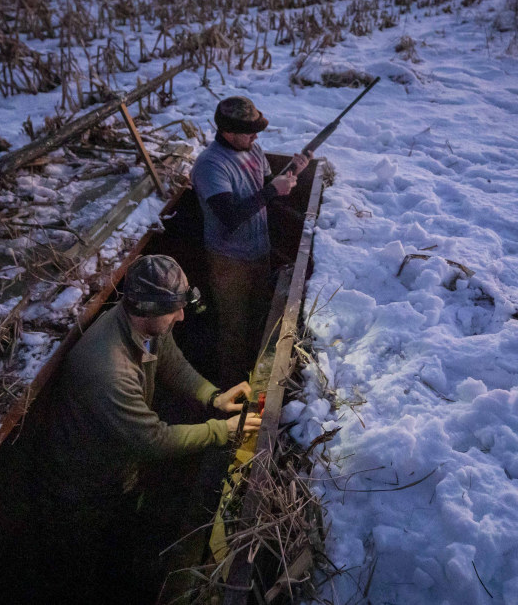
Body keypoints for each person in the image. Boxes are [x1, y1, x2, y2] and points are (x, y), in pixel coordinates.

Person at [27, 254, 260, 602]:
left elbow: (171, 363)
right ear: (147, 308)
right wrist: (221, 430)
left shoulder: (144, 326)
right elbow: (155, 440)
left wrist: (213, 397)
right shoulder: (109, 370)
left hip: (118, 471)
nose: (181, 316)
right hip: (82, 489)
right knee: (80, 572)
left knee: (120, 547)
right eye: (174, 310)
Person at [191, 96, 310, 388]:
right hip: (229, 262)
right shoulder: (210, 165)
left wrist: (294, 172)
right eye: (249, 131)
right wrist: (271, 191)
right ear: (228, 133)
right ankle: (229, 394)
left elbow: (268, 187)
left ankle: (254, 381)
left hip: (259, 252)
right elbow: (229, 216)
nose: (256, 136)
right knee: (233, 331)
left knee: (258, 319)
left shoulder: (253, 149)